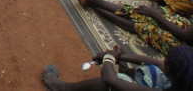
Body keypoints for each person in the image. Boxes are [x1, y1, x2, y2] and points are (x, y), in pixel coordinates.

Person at [71, 0, 193, 55]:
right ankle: (92, 1)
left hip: (185, 49)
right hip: (186, 30)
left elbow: (185, 36)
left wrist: (155, 13)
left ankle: (92, 2)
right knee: (140, 14)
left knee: (144, 26)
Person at [41, 44, 193, 91]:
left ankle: (62, 88)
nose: (163, 60)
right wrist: (118, 55)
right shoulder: (186, 78)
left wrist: (109, 59)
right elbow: (154, 62)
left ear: (170, 71)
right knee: (153, 70)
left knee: (115, 81)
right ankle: (125, 69)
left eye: (166, 61)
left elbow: (109, 79)